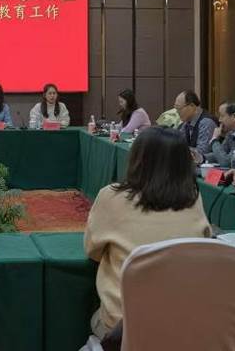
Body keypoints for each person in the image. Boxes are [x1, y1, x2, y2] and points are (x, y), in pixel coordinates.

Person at [84, 127, 212, 339]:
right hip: (184, 325)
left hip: (124, 329)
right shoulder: (193, 197)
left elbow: (92, 251)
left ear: (137, 160)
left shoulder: (111, 196)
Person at [174, 90, 218, 155]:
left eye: (179, 108)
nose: (177, 112)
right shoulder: (185, 123)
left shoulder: (206, 122)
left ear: (192, 106)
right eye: (176, 108)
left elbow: (202, 152)